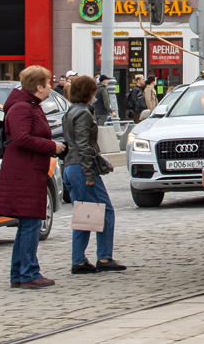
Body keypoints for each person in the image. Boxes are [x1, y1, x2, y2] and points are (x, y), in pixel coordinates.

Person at [0, 65, 65, 288]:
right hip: (24, 171)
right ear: (38, 86)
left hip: (28, 169)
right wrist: (51, 146)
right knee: (31, 223)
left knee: (28, 223)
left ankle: (20, 273)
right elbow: (21, 138)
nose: (50, 86)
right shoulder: (22, 108)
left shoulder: (28, 106)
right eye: (48, 82)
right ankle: (28, 273)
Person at [61, 75, 126, 274]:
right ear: (89, 93)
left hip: (71, 167)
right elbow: (82, 144)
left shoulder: (70, 111)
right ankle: (104, 257)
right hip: (81, 168)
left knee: (84, 213)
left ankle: (79, 260)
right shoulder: (83, 114)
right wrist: (89, 174)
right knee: (105, 210)